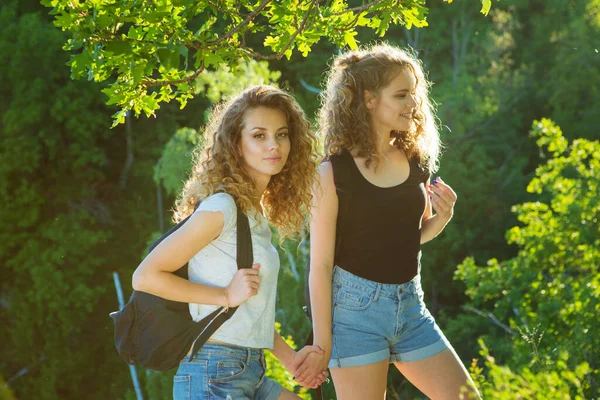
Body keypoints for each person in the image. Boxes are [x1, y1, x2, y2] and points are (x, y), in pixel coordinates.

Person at [295, 44, 481, 399]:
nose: (413, 103)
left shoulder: (416, 161)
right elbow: (319, 265)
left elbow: (409, 238)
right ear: (368, 100)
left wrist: (443, 218)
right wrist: (322, 344)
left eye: (414, 93)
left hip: (411, 307)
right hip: (353, 316)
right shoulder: (332, 173)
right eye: (401, 95)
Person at [132, 85, 328, 400]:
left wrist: (292, 360)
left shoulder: (254, 214)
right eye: (259, 135)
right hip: (213, 372)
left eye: (281, 134)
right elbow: (145, 277)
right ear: (236, 143)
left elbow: (247, 311)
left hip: (251, 368)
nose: (274, 145)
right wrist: (225, 293)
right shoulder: (222, 207)